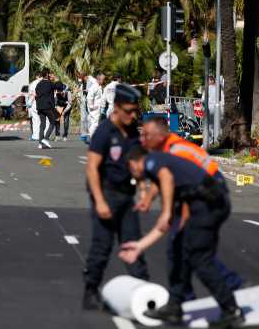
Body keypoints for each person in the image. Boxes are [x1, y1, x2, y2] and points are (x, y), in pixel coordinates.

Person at [121, 148, 244, 328]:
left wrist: (166, 211)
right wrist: (140, 246)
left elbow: (166, 178)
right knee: (178, 250)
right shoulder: (168, 178)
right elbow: (167, 223)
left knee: (200, 260)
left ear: (134, 162)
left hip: (210, 205)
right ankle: (175, 307)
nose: (135, 176)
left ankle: (231, 309)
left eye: (131, 170)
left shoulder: (153, 161)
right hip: (204, 205)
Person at [136, 117, 243, 299]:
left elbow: (182, 182)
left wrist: (176, 216)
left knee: (194, 251)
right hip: (198, 194)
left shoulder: (177, 151)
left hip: (208, 195)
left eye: (146, 135)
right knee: (182, 248)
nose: (142, 140)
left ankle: (226, 290)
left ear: (160, 136)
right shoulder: (165, 149)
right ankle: (182, 298)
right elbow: (164, 177)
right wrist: (149, 196)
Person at [83, 83, 149, 310]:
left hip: (126, 196)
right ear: (117, 108)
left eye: (135, 111)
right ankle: (91, 291)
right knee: (102, 247)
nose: (133, 115)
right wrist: (100, 201)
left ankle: (144, 292)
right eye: (129, 111)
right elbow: (92, 167)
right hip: (106, 194)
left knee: (133, 244)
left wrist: (142, 190)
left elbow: (137, 162)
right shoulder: (103, 132)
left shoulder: (132, 132)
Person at [35, 69, 64, 149]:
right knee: (53, 122)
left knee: (42, 124)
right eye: (50, 74)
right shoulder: (50, 83)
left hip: (39, 107)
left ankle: (40, 143)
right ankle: (46, 139)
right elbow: (60, 87)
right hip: (47, 106)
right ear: (47, 75)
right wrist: (56, 79)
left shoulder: (38, 84)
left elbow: (37, 93)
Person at [78, 72, 97, 143]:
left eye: (81, 79)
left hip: (91, 101)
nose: (80, 81)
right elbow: (80, 91)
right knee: (83, 118)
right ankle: (84, 135)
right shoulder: (82, 83)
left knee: (91, 118)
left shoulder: (92, 81)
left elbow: (95, 89)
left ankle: (92, 136)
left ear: (85, 77)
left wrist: (87, 90)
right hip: (83, 100)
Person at [26, 72, 45, 141]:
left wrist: (28, 103)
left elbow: (32, 95)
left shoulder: (33, 83)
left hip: (35, 103)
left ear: (37, 76)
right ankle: (43, 135)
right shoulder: (45, 82)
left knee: (35, 120)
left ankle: (35, 136)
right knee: (43, 120)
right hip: (43, 103)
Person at [86, 73, 105, 138]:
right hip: (94, 108)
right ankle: (92, 138)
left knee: (95, 123)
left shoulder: (99, 86)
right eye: (103, 79)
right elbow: (89, 97)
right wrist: (91, 106)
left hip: (97, 108)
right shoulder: (94, 87)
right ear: (99, 79)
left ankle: (94, 137)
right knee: (95, 123)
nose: (104, 81)